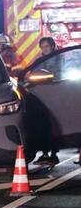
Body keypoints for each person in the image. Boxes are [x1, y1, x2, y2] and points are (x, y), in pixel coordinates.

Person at [32, 36, 60, 166]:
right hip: (42, 97)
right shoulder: (38, 61)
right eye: (42, 47)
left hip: (57, 95)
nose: (44, 49)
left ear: (52, 46)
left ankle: (54, 154)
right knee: (43, 125)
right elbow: (32, 75)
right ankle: (44, 153)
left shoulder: (59, 58)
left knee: (55, 125)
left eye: (47, 46)